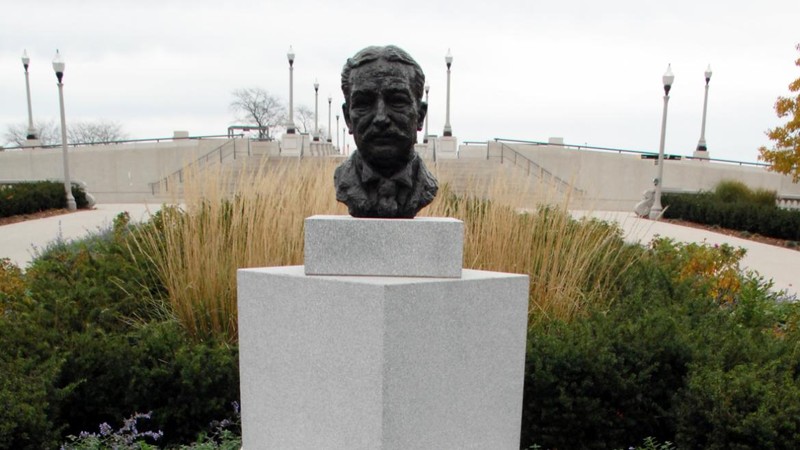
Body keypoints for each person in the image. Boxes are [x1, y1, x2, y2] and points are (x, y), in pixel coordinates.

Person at [334, 45, 438, 218]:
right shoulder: (344, 180)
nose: (381, 118)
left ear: (420, 116)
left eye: (397, 101)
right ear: (348, 118)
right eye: (364, 103)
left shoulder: (427, 185)